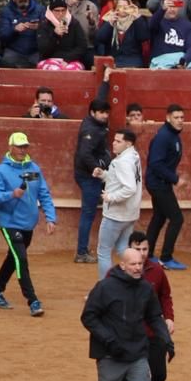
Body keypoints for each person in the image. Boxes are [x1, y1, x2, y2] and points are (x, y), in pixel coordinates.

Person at [80, 246, 170, 381]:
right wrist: (109, 340)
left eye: (140, 264)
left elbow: (154, 316)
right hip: (111, 355)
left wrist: (166, 339)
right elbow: (89, 316)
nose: (138, 268)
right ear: (122, 265)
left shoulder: (145, 288)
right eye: (133, 264)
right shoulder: (105, 288)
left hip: (137, 353)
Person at [0, 131, 55, 317]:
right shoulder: (1, 171)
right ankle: (33, 301)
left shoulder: (33, 169)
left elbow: (44, 194)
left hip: (28, 224)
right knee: (21, 259)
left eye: (25, 147)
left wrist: (50, 217)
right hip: (9, 223)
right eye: (19, 146)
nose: (22, 150)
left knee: (13, 258)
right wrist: (11, 194)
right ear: (10, 147)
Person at [115, 231, 174, 381]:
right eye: (137, 249)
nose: (141, 254)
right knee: (123, 379)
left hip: (152, 333)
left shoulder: (156, 271)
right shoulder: (115, 275)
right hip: (126, 336)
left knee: (159, 374)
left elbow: (165, 296)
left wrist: (169, 317)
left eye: (145, 249)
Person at [145, 104, 187, 271]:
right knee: (177, 218)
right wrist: (175, 179)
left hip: (160, 183)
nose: (180, 120)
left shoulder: (172, 135)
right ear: (168, 118)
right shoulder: (164, 136)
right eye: (176, 117)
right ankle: (166, 258)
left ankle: (147, 255)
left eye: (182, 117)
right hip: (158, 184)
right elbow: (155, 163)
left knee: (159, 217)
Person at [95, 128, 141, 280]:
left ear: (128, 144)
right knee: (123, 249)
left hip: (116, 214)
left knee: (104, 251)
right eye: (114, 140)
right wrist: (103, 174)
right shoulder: (134, 156)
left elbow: (129, 188)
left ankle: (106, 287)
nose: (113, 143)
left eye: (118, 141)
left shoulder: (122, 162)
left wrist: (111, 197)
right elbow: (119, 180)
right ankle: (134, 279)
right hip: (130, 213)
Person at [72, 99, 111, 264]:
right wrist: (96, 167)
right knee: (88, 214)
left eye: (106, 112)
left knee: (89, 212)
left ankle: (83, 250)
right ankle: (81, 252)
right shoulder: (91, 129)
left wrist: (106, 83)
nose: (105, 116)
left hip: (89, 175)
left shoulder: (92, 123)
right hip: (89, 176)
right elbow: (84, 153)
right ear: (92, 113)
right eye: (101, 112)